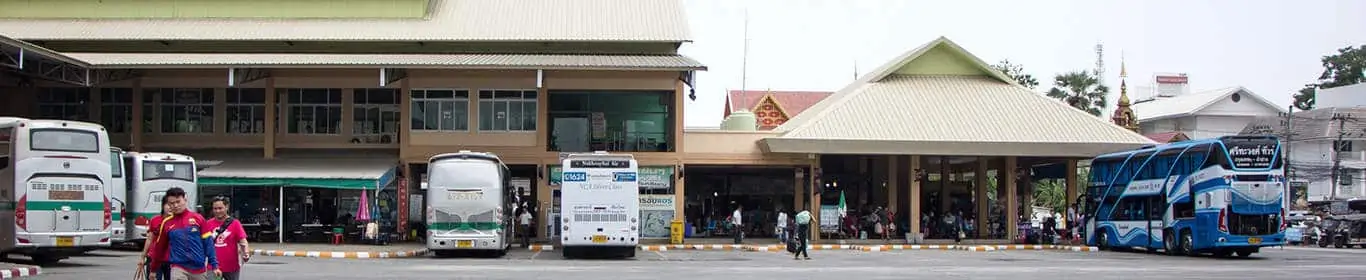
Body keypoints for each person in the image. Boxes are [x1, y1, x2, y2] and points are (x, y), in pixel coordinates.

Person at [145, 187, 220, 280]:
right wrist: (153, 269)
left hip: (199, 268)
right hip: (178, 267)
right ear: (168, 204)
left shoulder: (198, 219)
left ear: (185, 200)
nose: (175, 205)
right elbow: (159, 248)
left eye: (178, 202)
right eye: (172, 203)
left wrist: (215, 265)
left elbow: (208, 243)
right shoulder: (166, 223)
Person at [206, 196, 250, 280]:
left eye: (220, 208)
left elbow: (243, 241)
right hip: (213, 267)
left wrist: (246, 253)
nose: (217, 211)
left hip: (232, 267)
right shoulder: (208, 224)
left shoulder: (235, 223)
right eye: (215, 208)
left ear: (226, 207)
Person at [138, 195, 173, 280]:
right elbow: (149, 239)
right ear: (163, 206)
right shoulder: (155, 220)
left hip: (172, 259)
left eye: (173, 204)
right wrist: (143, 257)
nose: (170, 207)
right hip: (154, 258)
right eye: (168, 204)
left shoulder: (178, 221)